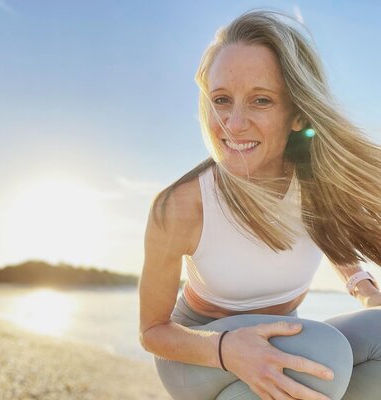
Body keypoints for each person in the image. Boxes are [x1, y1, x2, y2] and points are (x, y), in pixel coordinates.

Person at [139, 9, 381, 400]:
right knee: (324, 357)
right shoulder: (181, 206)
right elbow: (152, 331)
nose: (233, 124)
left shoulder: (318, 184)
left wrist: (364, 289)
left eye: (261, 100)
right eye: (221, 100)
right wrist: (227, 349)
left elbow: (327, 233)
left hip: (283, 339)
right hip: (197, 354)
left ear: (298, 113)